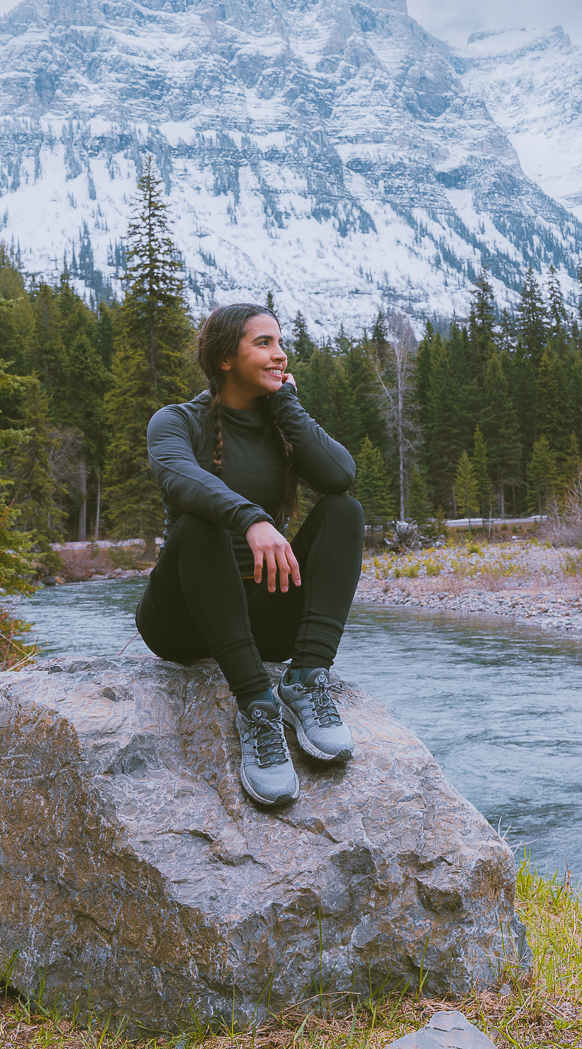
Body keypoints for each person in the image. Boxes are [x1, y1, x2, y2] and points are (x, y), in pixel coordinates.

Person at [136, 303, 365, 808]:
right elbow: (180, 477)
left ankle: (306, 681)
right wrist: (251, 518)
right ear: (224, 358)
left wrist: (287, 407)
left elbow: (338, 477)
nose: (279, 354)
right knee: (199, 522)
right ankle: (257, 704)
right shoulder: (174, 422)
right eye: (263, 343)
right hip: (184, 622)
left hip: (265, 620)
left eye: (280, 343)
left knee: (344, 511)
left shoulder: (280, 421)